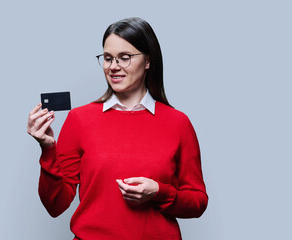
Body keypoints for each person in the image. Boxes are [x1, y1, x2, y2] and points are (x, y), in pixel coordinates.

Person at [27, 17, 208, 240]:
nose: (114, 66)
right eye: (108, 58)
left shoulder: (178, 123)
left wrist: (159, 193)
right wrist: (47, 149)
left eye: (125, 58)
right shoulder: (80, 119)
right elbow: (55, 205)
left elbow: (198, 202)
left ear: (148, 61)